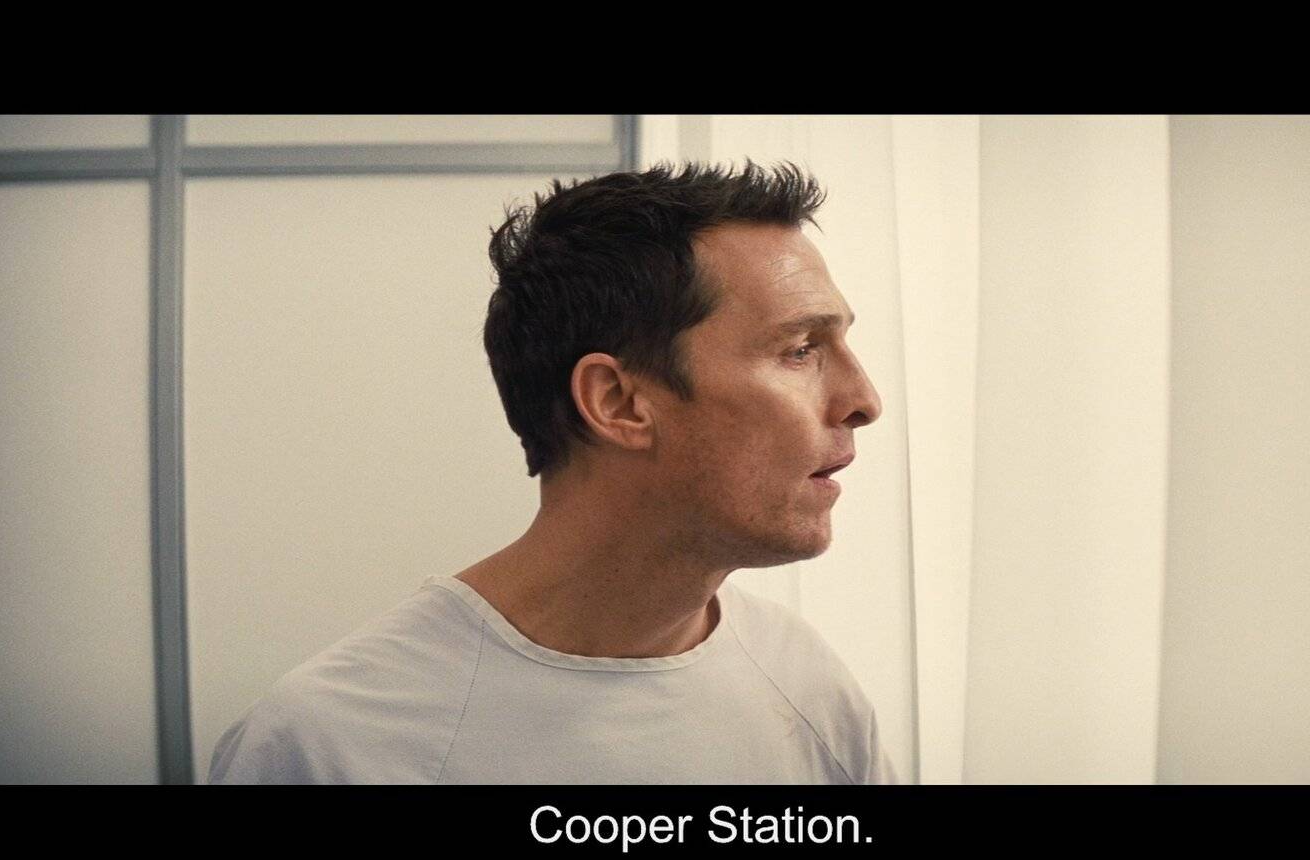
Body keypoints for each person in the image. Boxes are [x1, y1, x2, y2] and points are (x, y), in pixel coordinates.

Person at [208, 161, 896, 784]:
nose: (864, 400)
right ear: (617, 402)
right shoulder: (331, 744)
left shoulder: (808, 685)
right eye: (800, 349)